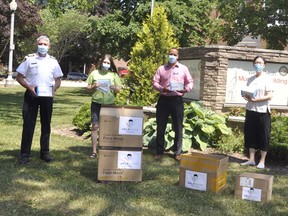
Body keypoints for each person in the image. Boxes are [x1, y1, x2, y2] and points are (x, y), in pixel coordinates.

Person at [16, 35, 63, 164]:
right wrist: (29, 87)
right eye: (40, 44)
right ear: (36, 45)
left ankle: (45, 153)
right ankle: (25, 155)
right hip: (32, 95)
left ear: (49, 46)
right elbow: (19, 77)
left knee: (46, 125)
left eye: (45, 44)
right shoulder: (29, 59)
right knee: (28, 125)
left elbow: (58, 80)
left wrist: (54, 90)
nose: (42, 46)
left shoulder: (53, 61)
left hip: (47, 96)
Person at [152, 48, 194, 161]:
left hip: (177, 100)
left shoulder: (183, 69)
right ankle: (159, 151)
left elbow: (190, 81)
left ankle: (177, 152)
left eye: (174, 54)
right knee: (161, 126)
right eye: (170, 54)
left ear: (177, 56)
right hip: (163, 100)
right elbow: (154, 82)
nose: (172, 56)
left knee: (178, 127)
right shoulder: (161, 68)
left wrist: (186, 89)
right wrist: (162, 88)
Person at [240, 56, 273, 169]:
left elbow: (270, 96)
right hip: (251, 110)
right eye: (256, 62)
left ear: (264, 65)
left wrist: (256, 100)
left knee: (263, 135)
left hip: (263, 111)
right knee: (250, 135)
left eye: (260, 62)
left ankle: (262, 161)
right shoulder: (250, 79)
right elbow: (249, 92)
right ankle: (251, 159)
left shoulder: (267, 79)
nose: (258, 64)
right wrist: (246, 96)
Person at [86, 54, 122, 158]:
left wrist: (113, 87)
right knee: (95, 126)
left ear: (110, 64)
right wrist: (93, 86)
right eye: (104, 62)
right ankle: (94, 151)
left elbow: (119, 89)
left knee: (108, 128)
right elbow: (87, 88)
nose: (106, 64)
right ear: (101, 62)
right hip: (96, 103)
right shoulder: (94, 73)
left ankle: (106, 149)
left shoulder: (114, 75)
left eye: (108, 63)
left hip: (109, 104)